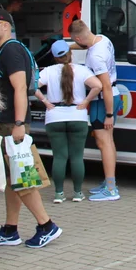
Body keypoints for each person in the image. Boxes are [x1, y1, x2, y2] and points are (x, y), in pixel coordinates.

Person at [0, 9, 61, 248]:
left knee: (24, 178)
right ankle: (10, 229)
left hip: (12, 125)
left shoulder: (12, 51)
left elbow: (19, 88)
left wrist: (18, 123)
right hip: (8, 123)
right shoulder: (9, 50)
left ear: (5, 25)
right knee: (13, 179)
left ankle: (47, 225)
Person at [36, 40, 101, 203]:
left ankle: (59, 194)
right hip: (77, 116)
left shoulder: (48, 71)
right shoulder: (82, 70)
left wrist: (45, 101)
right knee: (77, 157)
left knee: (59, 157)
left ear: (54, 57)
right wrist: (85, 102)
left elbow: (31, 86)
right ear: (70, 54)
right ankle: (78, 193)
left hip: (54, 116)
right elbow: (98, 86)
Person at [70, 19, 126, 199]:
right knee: (108, 141)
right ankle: (110, 181)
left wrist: (109, 114)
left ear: (79, 37)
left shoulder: (96, 56)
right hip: (112, 96)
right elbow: (84, 45)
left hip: (104, 100)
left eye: (74, 40)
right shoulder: (102, 39)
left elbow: (105, 86)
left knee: (104, 142)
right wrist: (69, 47)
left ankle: (110, 189)